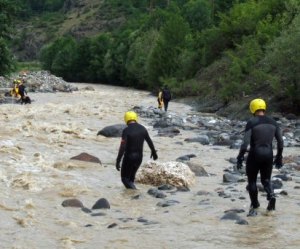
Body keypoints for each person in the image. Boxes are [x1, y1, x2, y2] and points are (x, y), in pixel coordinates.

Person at [236, 98, 284, 216]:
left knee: (252, 181)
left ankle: (255, 205)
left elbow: (245, 144)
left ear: (252, 109)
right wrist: (279, 156)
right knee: (266, 180)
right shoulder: (273, 122)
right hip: (268, 155)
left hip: (254, 155)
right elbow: (281, 141)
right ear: (264, 108)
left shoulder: (251, 122)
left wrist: (240, 157)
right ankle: (271, 195)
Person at [116, 111, 158, 189]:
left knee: (125, 179)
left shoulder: (126, 130)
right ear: (136, 118)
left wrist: (118, 160)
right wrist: (154, 152)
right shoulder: (142, 128)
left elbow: (122, 147)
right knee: (131, 179)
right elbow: (149, 141)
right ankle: (133, 198)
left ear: (126, 119)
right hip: (139, 158)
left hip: (129, 158)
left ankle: (135, 192)